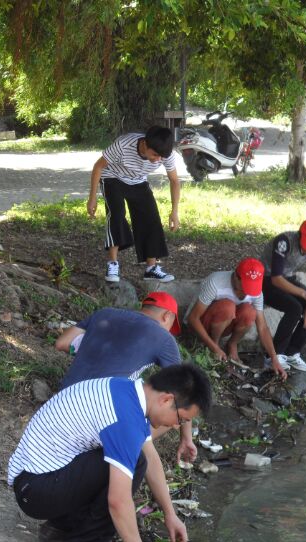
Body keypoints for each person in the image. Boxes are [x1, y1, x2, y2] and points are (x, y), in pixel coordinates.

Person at [8, 364, 212, 542]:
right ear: (166, 400)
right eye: (181, 419)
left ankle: (59, 528)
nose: (175, 426)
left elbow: (152, 459)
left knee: (135, 459)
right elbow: (118, 500)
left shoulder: (127, 391)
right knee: (133, 464)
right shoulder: (125, 419)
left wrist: (170, 513)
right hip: (36, 491)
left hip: (34, 481)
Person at [55, 292, 197, 464]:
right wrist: (186, 438)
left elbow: (62, 343)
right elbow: (182, 391)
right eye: (171, 326)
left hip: (61, 402)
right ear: (167, 316)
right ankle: (129, 446)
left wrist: (89, 352)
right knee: (169, 412)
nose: (169, 332)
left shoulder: (104, 313)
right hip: (98, 414)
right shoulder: (164, 338)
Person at [87, 125, 180, 283]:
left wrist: (174, 211)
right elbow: (98, 166)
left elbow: (175, 181)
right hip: (112, 177)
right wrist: (92, 197)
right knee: (116, 214)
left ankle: (151, 269)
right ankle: (113, 263)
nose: (158, 159)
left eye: (161, 156)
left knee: (151, 219)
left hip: (138, 181)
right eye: (155, 154)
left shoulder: (165, 153)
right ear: (144, 144)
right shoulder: (123, 145)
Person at [186, 258, 288, 380]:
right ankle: (213, 346)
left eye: (251, 288)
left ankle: (232, 344)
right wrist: (215, 348)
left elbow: (262, 327)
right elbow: (193, 318)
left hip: (224, 325)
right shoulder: (215, 282)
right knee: (227, 307)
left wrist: (274, 359)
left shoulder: (256, 292)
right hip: (201, 326)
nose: (246, 293)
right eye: (244, 287)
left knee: (250, 312)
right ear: (235, 276)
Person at [260, 217, 306, 372]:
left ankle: (292, 353)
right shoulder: (284, 242)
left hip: (287, 278)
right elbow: (276, 279)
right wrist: (305, 295)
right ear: (299, 234)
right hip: (266, 279)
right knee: (294, 308)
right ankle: (274, 356)